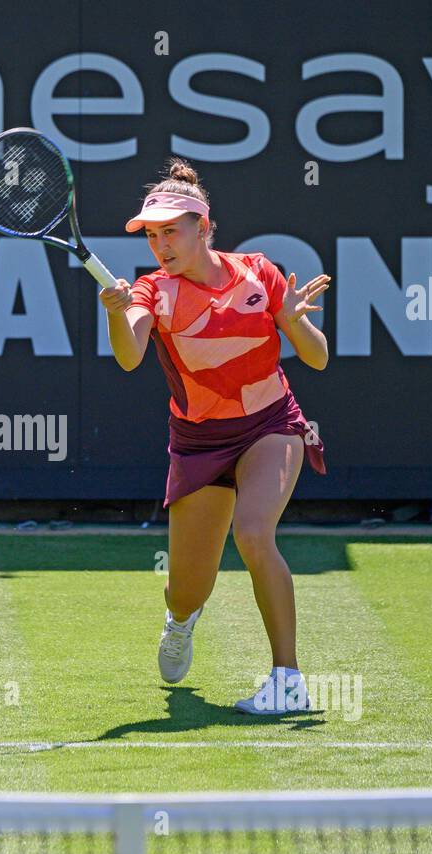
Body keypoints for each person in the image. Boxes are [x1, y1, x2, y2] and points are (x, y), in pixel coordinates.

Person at [100, 158, 330, 714]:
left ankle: (288, 680)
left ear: (203, 228)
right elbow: (130, 356)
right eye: (151, 235)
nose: (160, 245)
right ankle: (181, 621)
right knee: (185, 590)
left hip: (270, 424)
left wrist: (294, 321)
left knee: (254, 533)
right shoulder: (153, 292)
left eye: (170, 231)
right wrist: (114, 313)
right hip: (200, 441)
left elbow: (317, 359)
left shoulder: (259, 273)